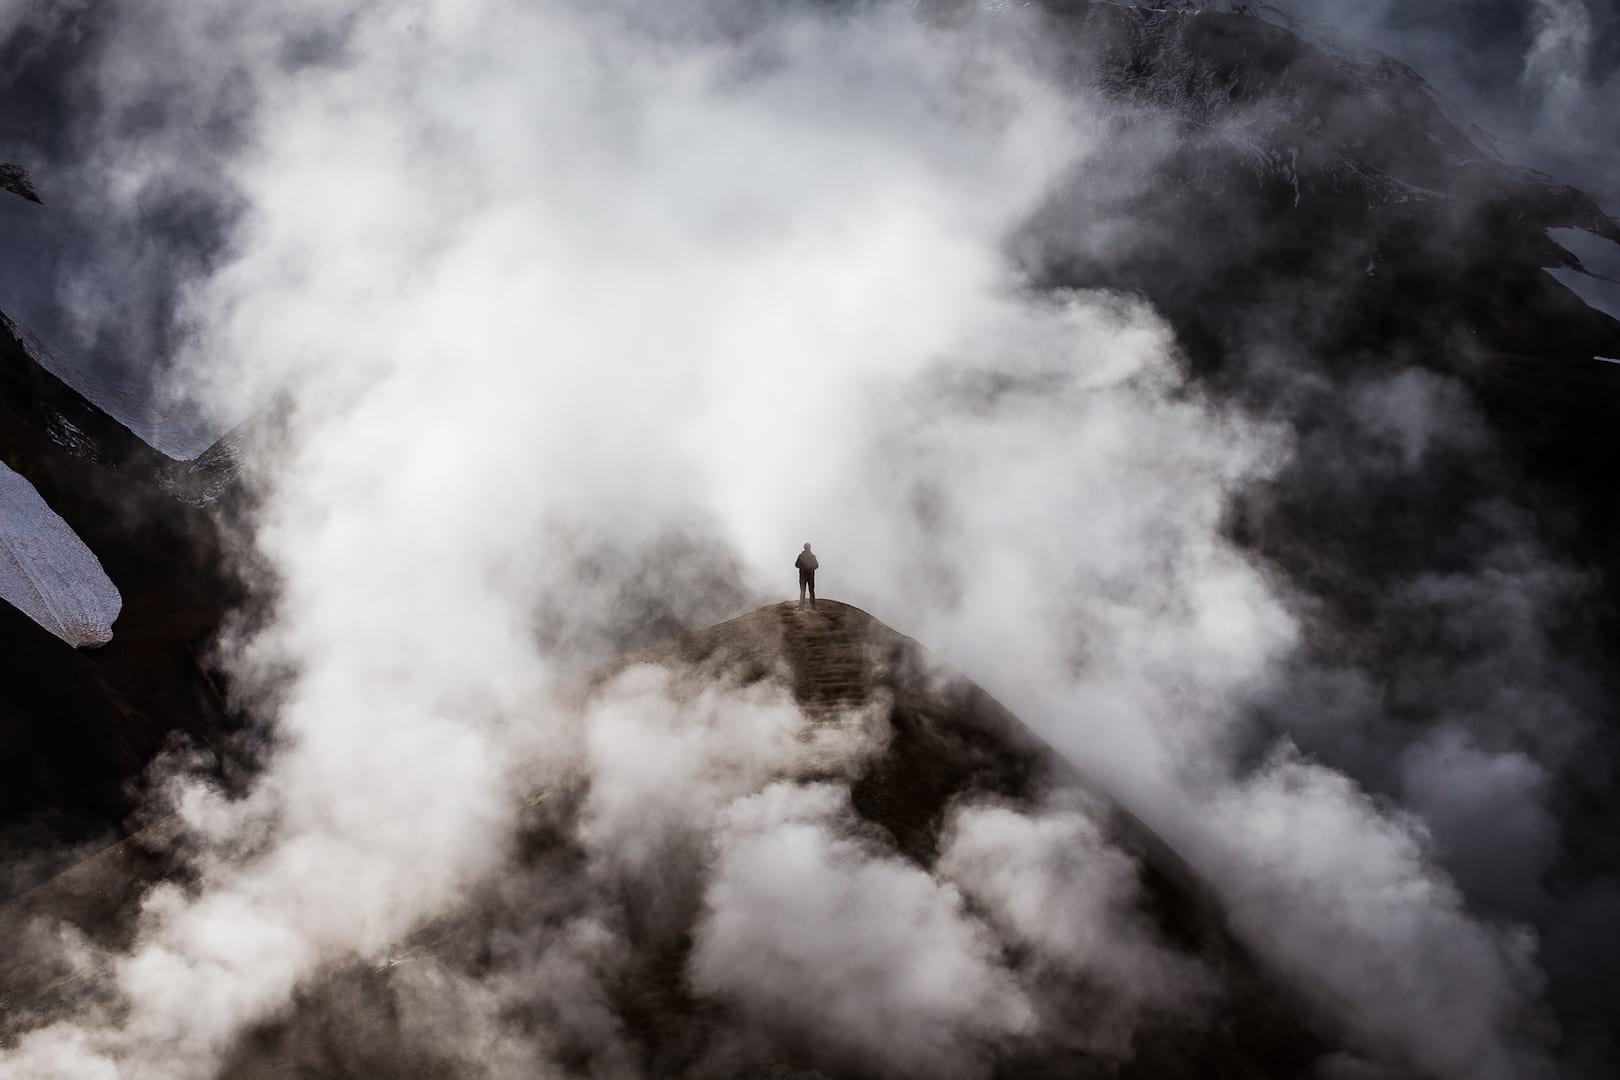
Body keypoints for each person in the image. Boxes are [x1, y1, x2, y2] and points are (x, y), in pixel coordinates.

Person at [795, 543, 819, 609]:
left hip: (803, 576)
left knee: (803, 591)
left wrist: (803, 567)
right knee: (811, 591)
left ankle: (801, 607)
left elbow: (796, 565)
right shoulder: (812, 556)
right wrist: (810, 567)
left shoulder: (801, 556)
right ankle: (813, 607)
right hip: (811, 576)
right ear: (810, 548)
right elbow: (816, 565)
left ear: (804, 548)